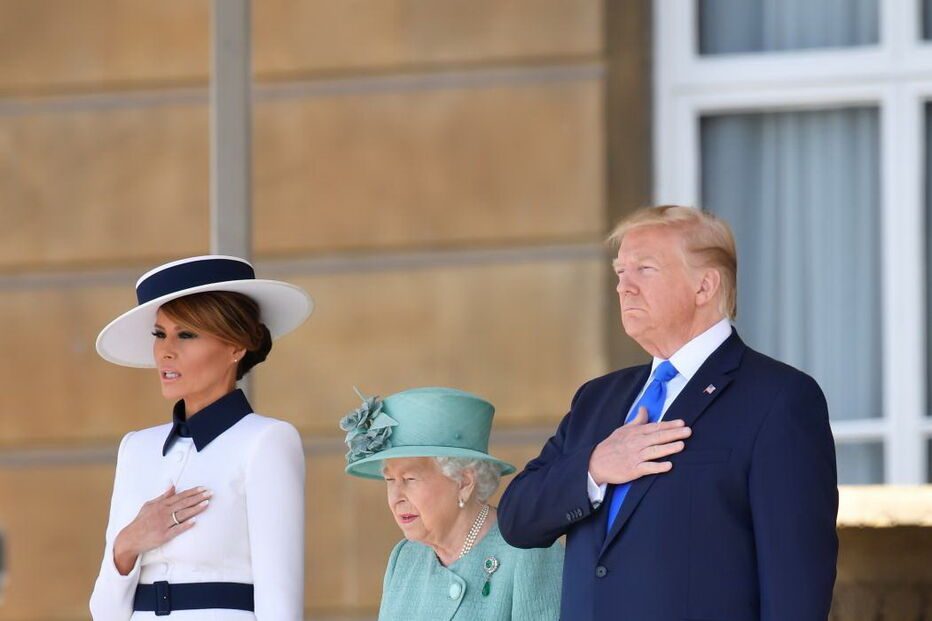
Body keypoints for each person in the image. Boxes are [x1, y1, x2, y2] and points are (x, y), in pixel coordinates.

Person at [498, 206, 838, 621]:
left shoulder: (779, 397)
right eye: (620, 272)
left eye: (644, 269)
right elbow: (517, 520)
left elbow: (796, 582)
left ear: (704, 286)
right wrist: (594, 467)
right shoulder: (597, 399)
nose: (624, 287)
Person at [89, 255, 312, 619]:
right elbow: (105, 612)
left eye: (186, 334)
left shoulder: (267, 441)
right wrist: (129, 542)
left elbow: (280, 601)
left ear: (236, 347)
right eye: (160, 334)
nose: (166, 350)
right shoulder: (136, 448)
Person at [340, 386, 564, 620]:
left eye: (409, 479)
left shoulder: (528, 551)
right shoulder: (405, 556)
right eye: (389, 480)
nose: (396, 497)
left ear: (464, 482)